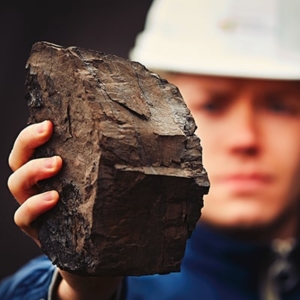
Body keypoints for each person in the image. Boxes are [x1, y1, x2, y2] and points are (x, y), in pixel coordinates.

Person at [2, 0, 300, 299]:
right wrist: (81, 290)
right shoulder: (121, 289)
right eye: (211, 105)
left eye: (279, 107)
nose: (244, 139)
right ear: (146, 114)